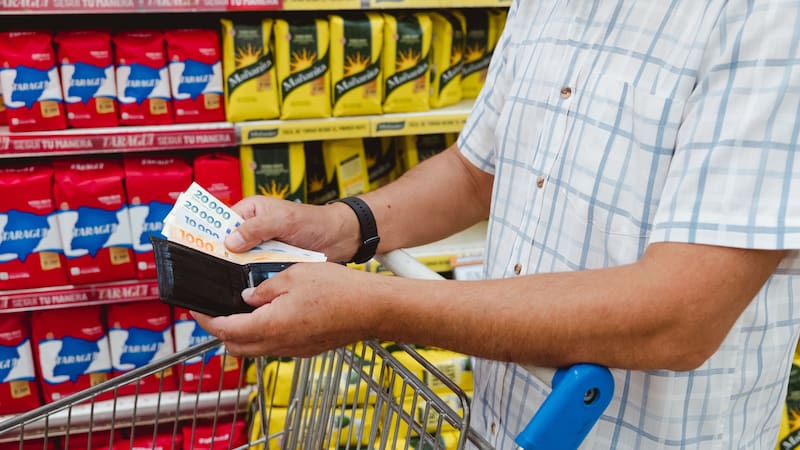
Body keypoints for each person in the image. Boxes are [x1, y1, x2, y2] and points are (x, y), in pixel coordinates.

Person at [194, 1, 800, 448]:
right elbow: (476, 171)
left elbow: (681, 316)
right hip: (498, 424)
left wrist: (373, 306)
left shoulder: (768, 18)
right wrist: (341, 224)